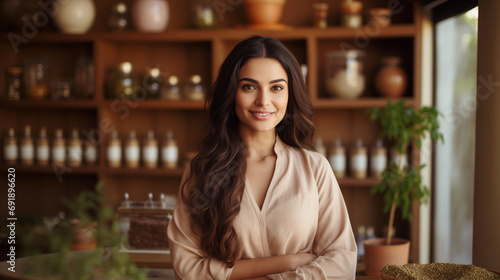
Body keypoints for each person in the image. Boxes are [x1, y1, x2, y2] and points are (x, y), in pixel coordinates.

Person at [167, 35, 357, 280]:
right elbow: (186, 268)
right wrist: (286, 263)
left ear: (290, 96)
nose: (263, 101)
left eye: (276, 87)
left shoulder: (315, 168)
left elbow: (342, 263)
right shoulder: (201, 171)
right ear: (231, 92)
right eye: (249, 86)